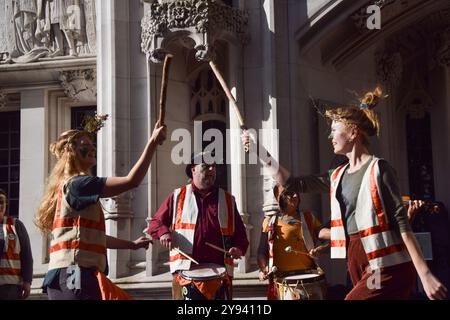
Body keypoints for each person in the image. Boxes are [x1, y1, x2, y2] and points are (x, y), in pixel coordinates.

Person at [242, 87, 447, 300]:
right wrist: (259, 151)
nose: (330, 136)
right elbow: (292, 183)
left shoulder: (380, 169)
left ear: (353, 132)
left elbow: (401, 222)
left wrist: (425, 274)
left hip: (385, 265)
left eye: (334, 130)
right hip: (357, 259)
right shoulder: (338, 175)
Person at [35, 115, 167, 300]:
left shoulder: (69, 187)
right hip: (74, 275)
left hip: (70, 276)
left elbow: (94, 237)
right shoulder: (79, 184)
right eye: (85, 145)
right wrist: (152, 142)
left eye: (92, 145)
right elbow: (132, 180)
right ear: (72, 152)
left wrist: (131, 245)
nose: (92, 148)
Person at [147, 151, 249, 300]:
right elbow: (155, 222)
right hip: (184, 276)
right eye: (207, 166)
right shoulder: (177, 196)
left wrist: (238, 248)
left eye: (214, 166)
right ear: (193, 169)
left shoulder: (227, 199)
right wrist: (163, 232)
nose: (212, 170)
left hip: (219, 277)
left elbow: (240, 235)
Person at [257, 184, 328, 299]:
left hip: (309, 277)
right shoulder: (269, 222)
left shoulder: (308, 217)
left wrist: (323, 246)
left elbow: (322, 234)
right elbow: (262, 251)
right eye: (290, 193)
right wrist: (263, 269)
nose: (295, 195)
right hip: (281, 281)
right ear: (280, 197)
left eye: (296, 193)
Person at [0, 189, 33, 300]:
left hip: (11, 288)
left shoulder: (16, 225)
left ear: (6, 204)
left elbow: (26, 255)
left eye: (1, 202)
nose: (0, 205)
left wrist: (27, 281)